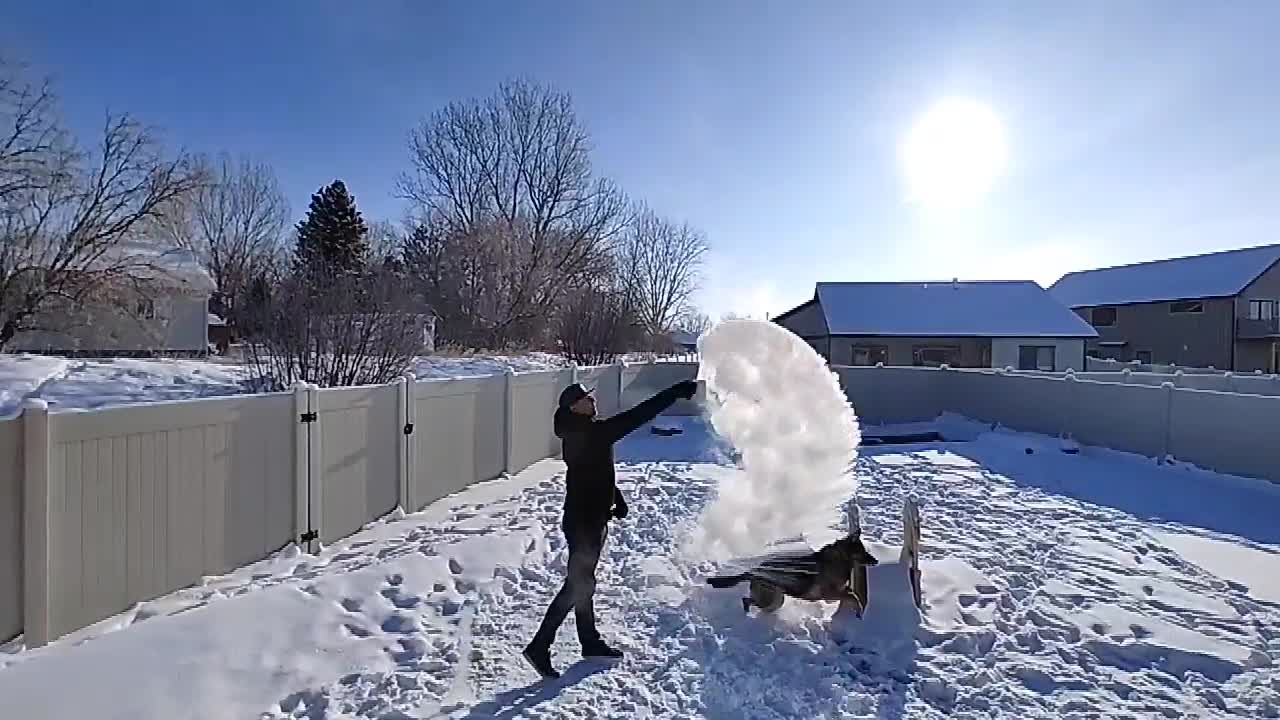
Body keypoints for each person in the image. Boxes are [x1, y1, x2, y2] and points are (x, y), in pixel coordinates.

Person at [522, 378, 699, 679]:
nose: (593, 401)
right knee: (579, 584)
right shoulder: (590, 433)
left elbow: (592, 472)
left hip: (588, 517)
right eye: (586, 399)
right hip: (584, 523)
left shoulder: (581, 432)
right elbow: (639, 415)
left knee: (583, 580)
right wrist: (673, 391)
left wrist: (616, 497)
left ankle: (588, 641)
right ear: (575, 407)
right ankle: (540, 645)